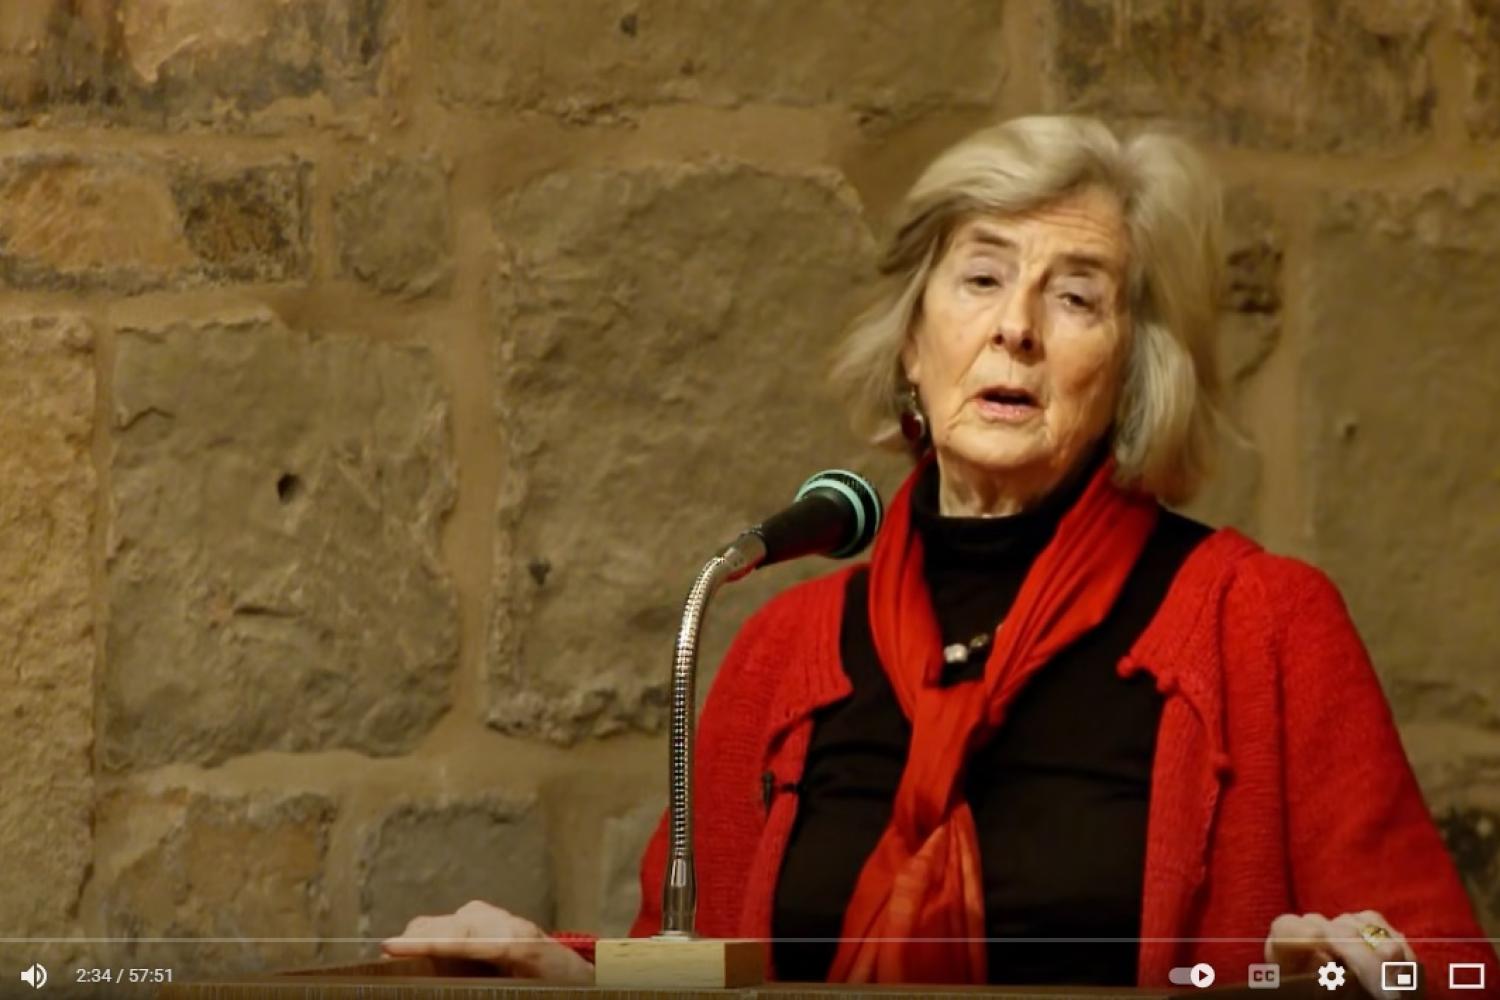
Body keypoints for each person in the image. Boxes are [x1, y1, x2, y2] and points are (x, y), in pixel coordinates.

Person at [384, 115, 1495, 995]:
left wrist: (1365, 971)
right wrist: (568, 968)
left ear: (1134, 370)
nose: (1016, 326)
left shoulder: (1259, 625)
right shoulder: (785, 650)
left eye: (1076, 296)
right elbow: (710, 964)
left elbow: (1445, 966)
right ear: (915, 342)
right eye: (981, 278)